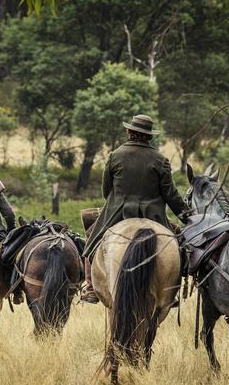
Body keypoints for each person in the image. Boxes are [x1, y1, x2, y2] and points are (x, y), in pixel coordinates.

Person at [80, 114, 188, 303]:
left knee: (91, 238)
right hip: (153, 216)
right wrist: (186, 215)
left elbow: (106, 191)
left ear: (130, 132)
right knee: (177, 246)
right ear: (149, 136)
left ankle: (90, 286)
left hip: (118, 213)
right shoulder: (160, 160)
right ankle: (170, 291)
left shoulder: (115, 155)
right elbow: (170, 194)